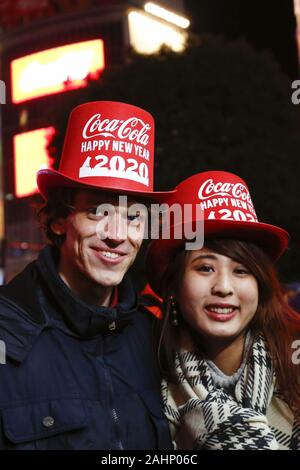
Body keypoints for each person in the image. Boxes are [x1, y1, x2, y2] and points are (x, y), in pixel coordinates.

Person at [0, 101, 172, 450]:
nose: (117, 234)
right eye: (97, 211)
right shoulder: (7, 331)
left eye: (134, 217)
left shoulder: (155, 337)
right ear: (60, 220)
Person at [145, 170, 300, 450]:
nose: (224, 287)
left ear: (260, 285)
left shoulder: (294, 366)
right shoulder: (143, 375)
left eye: (241, 270)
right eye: (205, 268)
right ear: (174, 287)